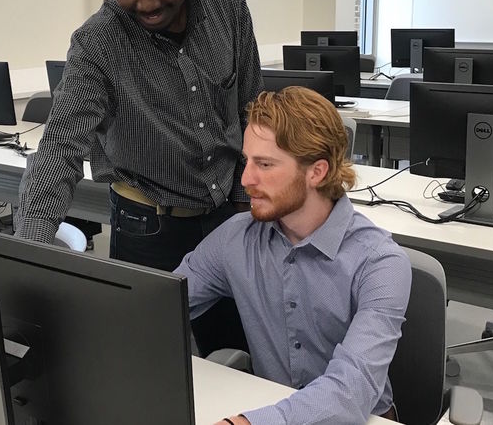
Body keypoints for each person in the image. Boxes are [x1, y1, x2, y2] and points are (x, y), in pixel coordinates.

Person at [15, 0, 262, 355]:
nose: (146, 3)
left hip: (232, 216)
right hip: (149, 230)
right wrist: (27, 258)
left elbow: (253, 111)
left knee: (238, 353)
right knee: (156, 363)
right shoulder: (97, 44)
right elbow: (60, 150)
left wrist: (251, 208)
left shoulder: (227, 4)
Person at [175, 86, 412, 424]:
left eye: (265, 164)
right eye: (247, 161)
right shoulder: (236, 237)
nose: (246, 179)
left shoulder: (380, 263)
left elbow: (351, 390)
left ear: (317, 171)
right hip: (270, 406)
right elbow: (165, 303)